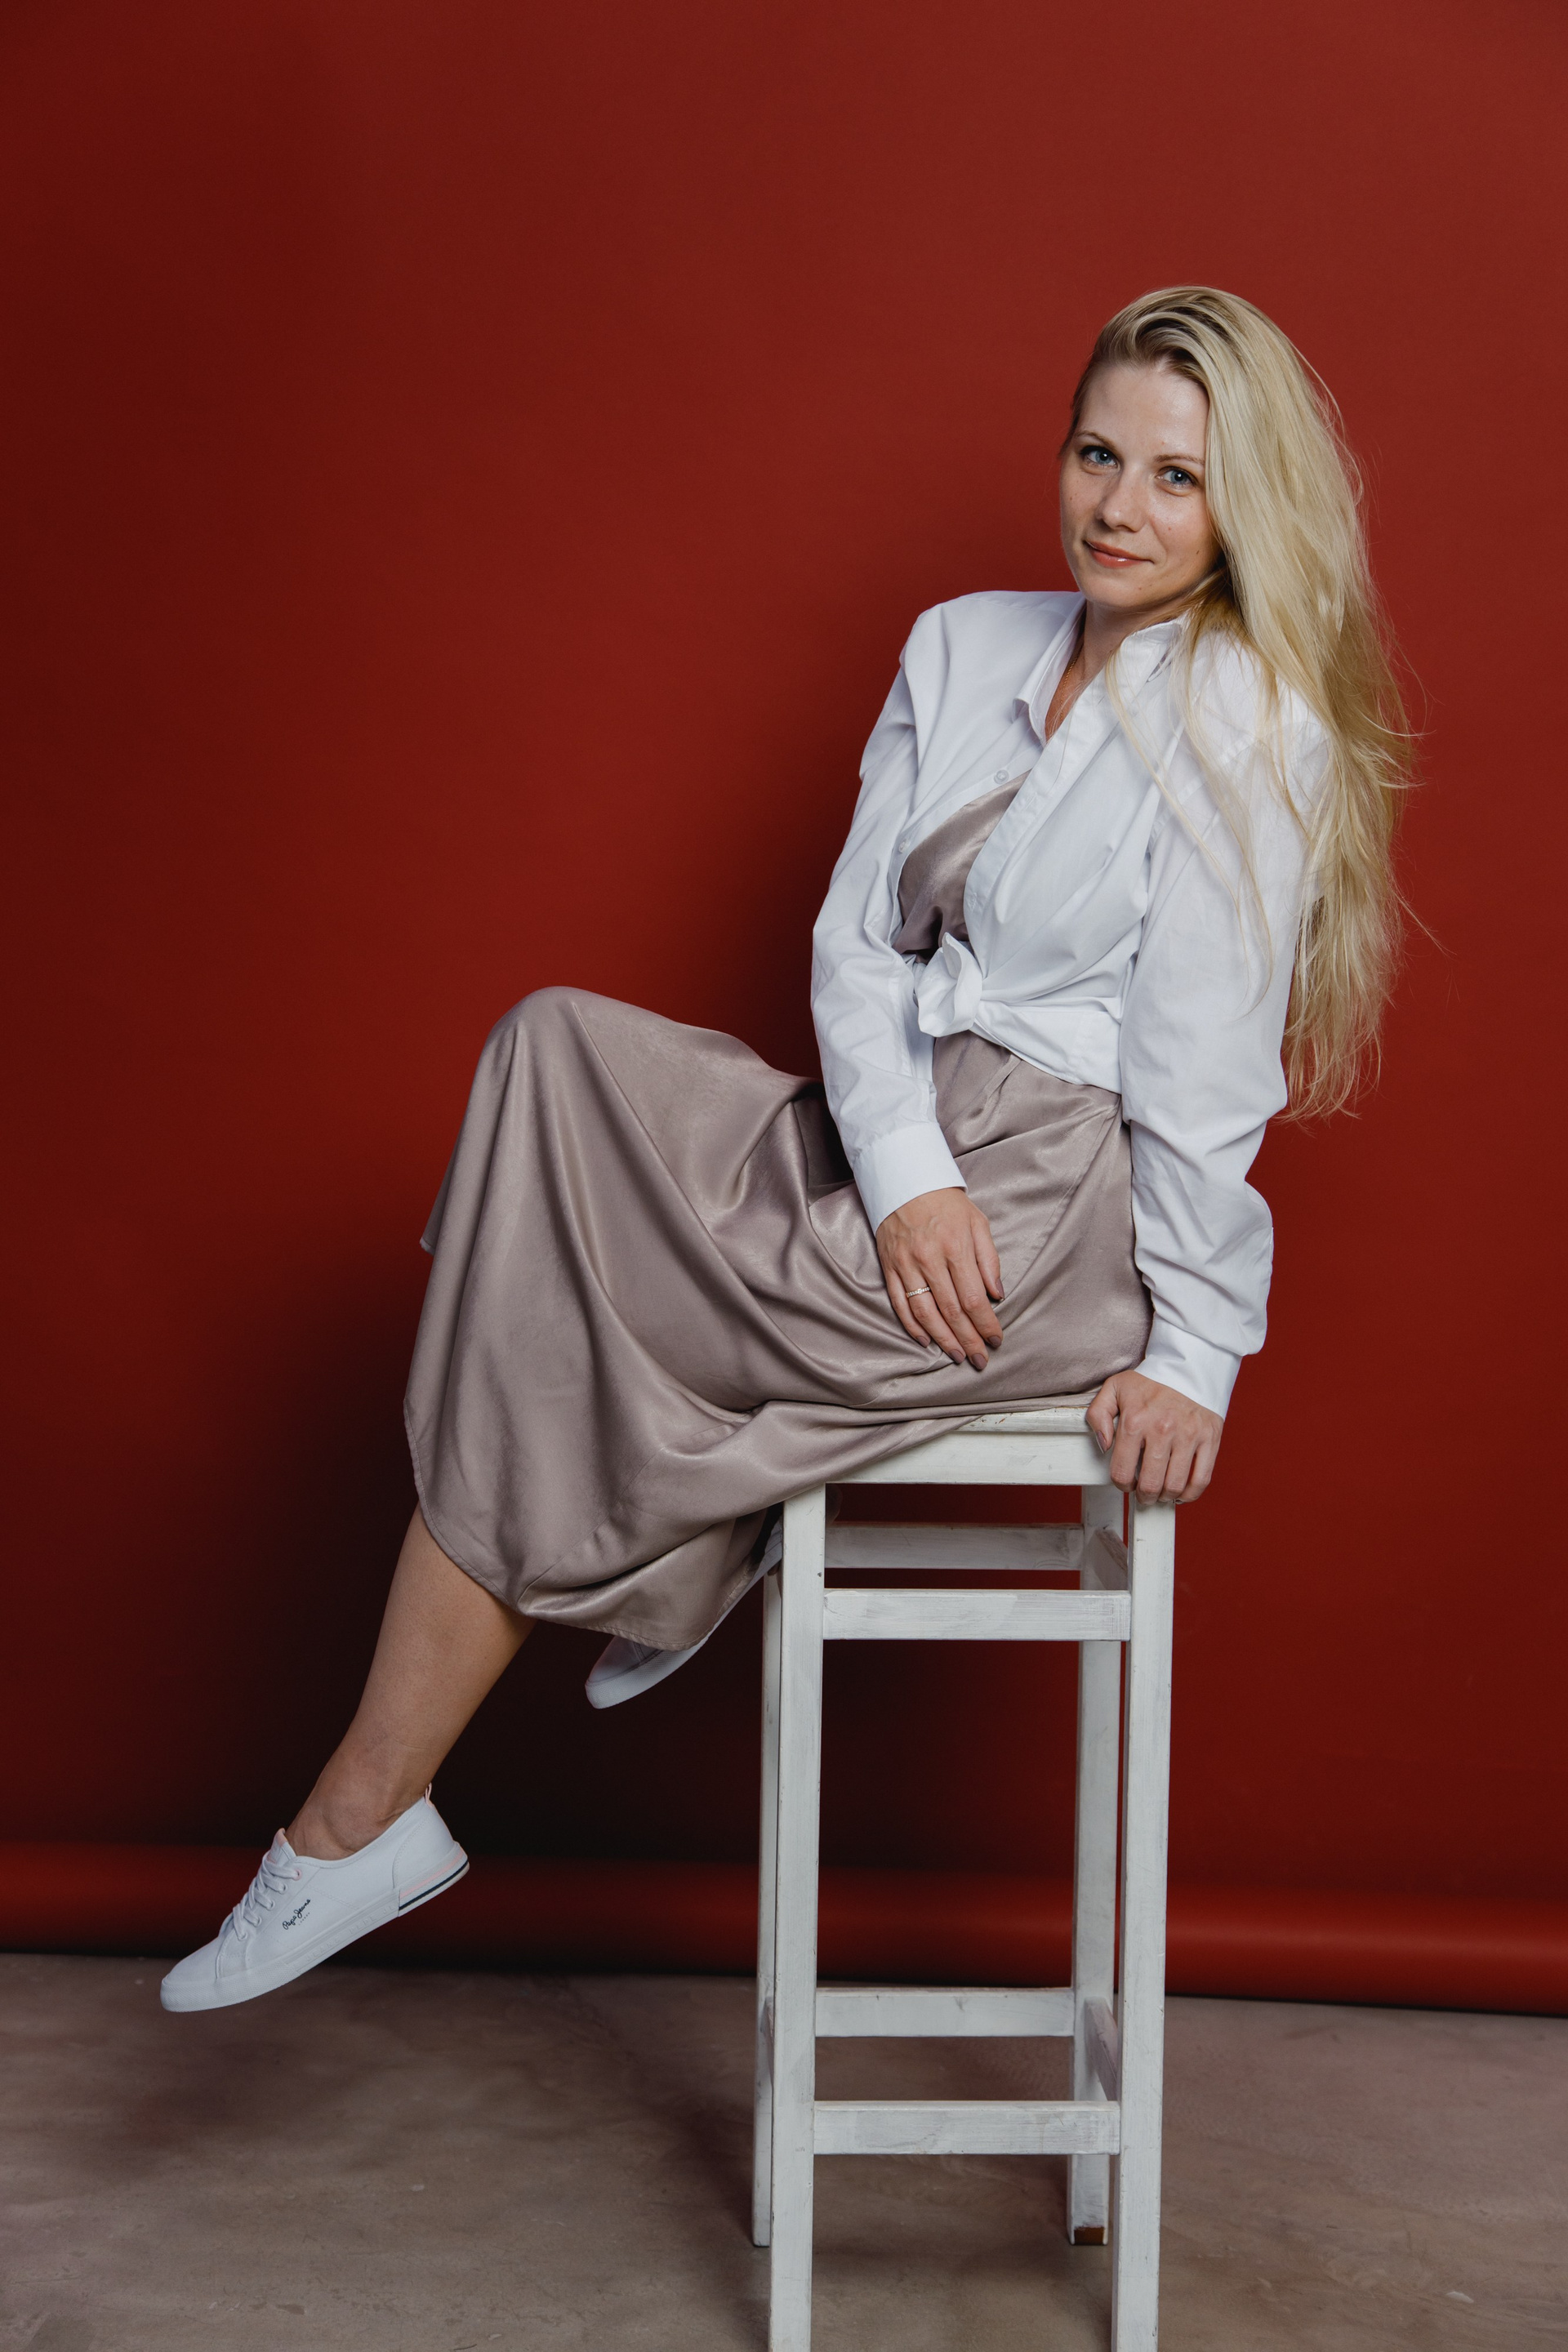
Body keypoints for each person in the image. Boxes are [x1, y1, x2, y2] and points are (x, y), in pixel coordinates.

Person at [160, 286, 1407, 2013]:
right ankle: (676, 1557)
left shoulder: (1250, 725)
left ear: (1241, 506)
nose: (1119, 506)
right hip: (905, 1141)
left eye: (1177, 478)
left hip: (1052, 1205)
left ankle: (355, 1813)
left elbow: (1204, 1077)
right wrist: (903, 1173)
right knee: (552, 1050)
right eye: (1096, 453)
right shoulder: (961, 644)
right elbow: (853, 945)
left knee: (566, 1302)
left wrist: (1200, 1351)